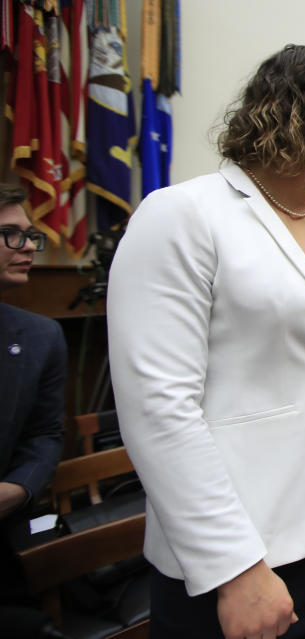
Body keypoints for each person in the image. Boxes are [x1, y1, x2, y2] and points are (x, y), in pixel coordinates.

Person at [107, 45, 305, 639]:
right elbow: (158, 407)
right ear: (298, 106)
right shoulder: (182, 213)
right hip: (237, 557)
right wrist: (234, 567)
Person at [0, 185, 66, 634]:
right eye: (10, 234)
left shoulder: (41, 337)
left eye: (30, 235)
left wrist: (18, 489)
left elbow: (45, 435)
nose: (27, 247)